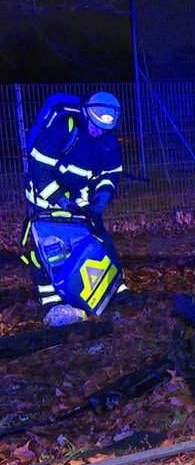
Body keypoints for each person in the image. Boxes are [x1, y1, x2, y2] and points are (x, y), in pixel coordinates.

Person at [23, 91, 127, 326]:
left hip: (80, 205)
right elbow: (39, 171)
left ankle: (114, 291)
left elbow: (109, 175)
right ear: (85, 115)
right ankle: (51, 302)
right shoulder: (62, 129)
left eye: (104, 128)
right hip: (46, 202)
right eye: (95, 125)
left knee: (100, 242)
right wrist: (61, 201)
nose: (98, 131)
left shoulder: (109, 144)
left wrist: (102, 196)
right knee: (46, 252)